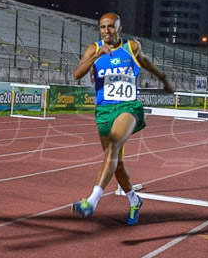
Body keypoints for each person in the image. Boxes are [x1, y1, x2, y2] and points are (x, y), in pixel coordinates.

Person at [71, 13, 173, 224]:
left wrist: (163, 79)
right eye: (102, 27)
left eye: (110, 27)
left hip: (128, 107)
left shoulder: (131, 47)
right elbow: (77, 74)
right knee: (115, 164)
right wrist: (97, 54)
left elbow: (145, 63)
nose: (106, 31)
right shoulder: (93, 48)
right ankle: (134, 200)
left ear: (119, 28)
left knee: (114, 146)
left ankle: (91, 201)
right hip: (104, 110)